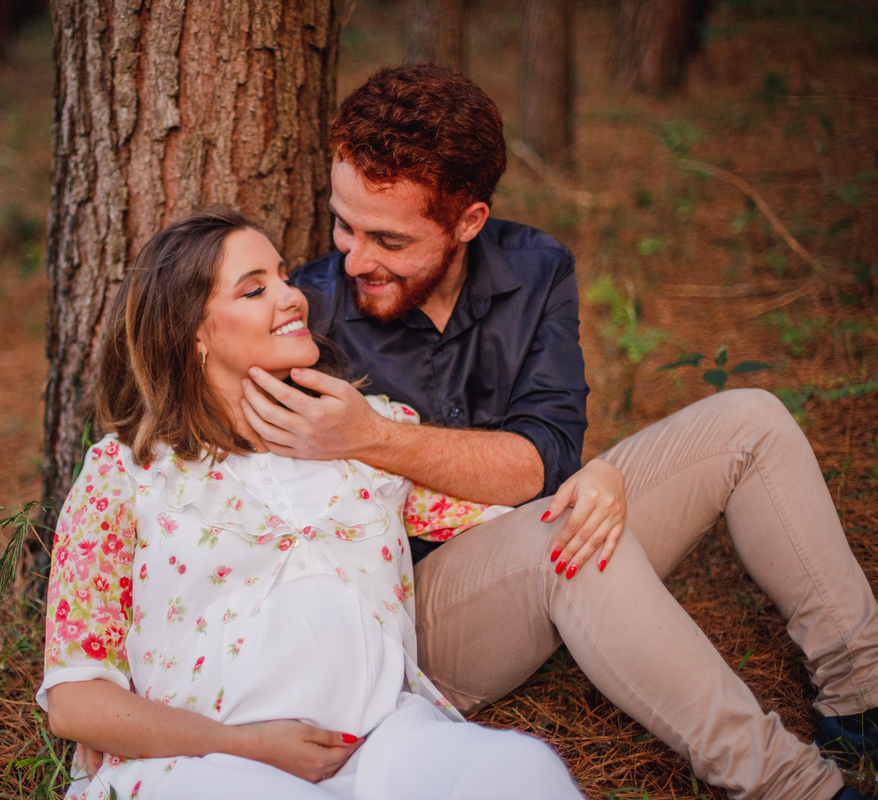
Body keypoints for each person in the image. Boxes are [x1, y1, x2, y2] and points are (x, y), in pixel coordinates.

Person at [234, 64, 878, 800]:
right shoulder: (300, 318)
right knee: (564, 533)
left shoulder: (535, 268)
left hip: (534, 525)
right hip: (411, 609)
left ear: (468, 222)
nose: (354, 258)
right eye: (342, 223)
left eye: (387, 237)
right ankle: (791, 786)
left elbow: (543, 459)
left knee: (751, 421)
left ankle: (862, 692)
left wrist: (375, 437)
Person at [37, 209, 583, 800]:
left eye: (282, 276)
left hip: (385, 748)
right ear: (193, 331)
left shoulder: (363, 437)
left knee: (523, 771)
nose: (291, 296)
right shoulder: (126, 474)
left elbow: (517, 519)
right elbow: (74, 700)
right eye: (255, 288)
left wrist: (592, 484)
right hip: (208, 766)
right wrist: (246, 747)